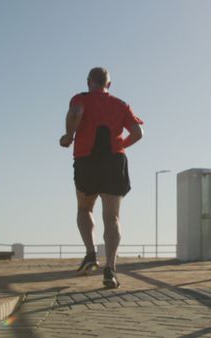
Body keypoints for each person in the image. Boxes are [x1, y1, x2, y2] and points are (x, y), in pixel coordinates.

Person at [59, 67, 143, 288]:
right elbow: (138, 133)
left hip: (87, 160)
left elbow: (75, 113)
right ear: (109, 84)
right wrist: (120, 145)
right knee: (112, 217)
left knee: (85, 209)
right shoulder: (120, 104)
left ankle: (90, 254)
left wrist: (69, 135)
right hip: (114, 162)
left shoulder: (81, 98)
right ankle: (111, 269)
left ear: (89, 82)